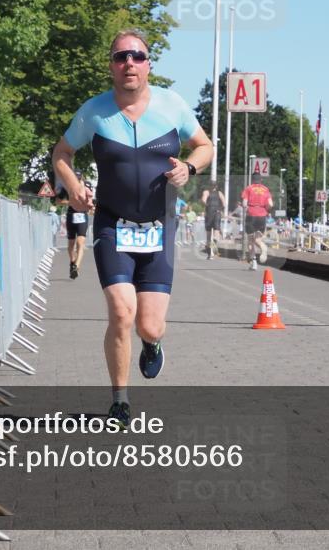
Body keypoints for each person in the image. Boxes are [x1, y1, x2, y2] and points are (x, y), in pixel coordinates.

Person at [51, 29, 213, 427]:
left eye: (137, 56)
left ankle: (153, 344)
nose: (129, 63)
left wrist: (189, 167)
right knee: (122, 313)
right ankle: (120, 399)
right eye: (121, 56)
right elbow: (62, 152)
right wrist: (73, 187)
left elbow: (205, 146)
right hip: (111, 224)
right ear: (111, 65)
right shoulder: (94, 111)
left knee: (148, 324)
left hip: (160, 228)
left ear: (148, 64)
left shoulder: (171, 105)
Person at [58, 170, 93, 279]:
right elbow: (59, 201)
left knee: (80, 243)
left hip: (82, 215)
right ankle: (72, 262)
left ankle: (76, 267)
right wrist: (72, 201)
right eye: (75, 178)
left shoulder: (87, 185)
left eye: (79, 178)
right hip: (71, 215)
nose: (77, 180)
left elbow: (91, 199)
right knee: (71, 245)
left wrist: (90, 205)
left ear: (81, 178)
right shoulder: (67, 186)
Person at [240, 173, 274, 270]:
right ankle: (263, 247)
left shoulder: (249, 188)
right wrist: (265, 209)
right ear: (261, 180)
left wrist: (246, 208)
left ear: (252, 179)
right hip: (262, 216)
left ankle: (254, 262)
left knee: (250, 240)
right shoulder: (266, 189)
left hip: (251, 215)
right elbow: (270, 204)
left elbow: (244, 203)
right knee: (258, 239)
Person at [200, 181, 226, 259]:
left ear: (210, 186)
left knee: (208, 236)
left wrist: (207, 205)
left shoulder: (206, 192)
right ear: (216, 186)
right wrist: (220, 209)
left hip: (209, 213)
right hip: (217, 212)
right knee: (216, 230)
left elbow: (203, 200)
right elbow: (224, 204)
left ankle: (209, 254)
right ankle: (215, 240)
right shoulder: (220, 193)